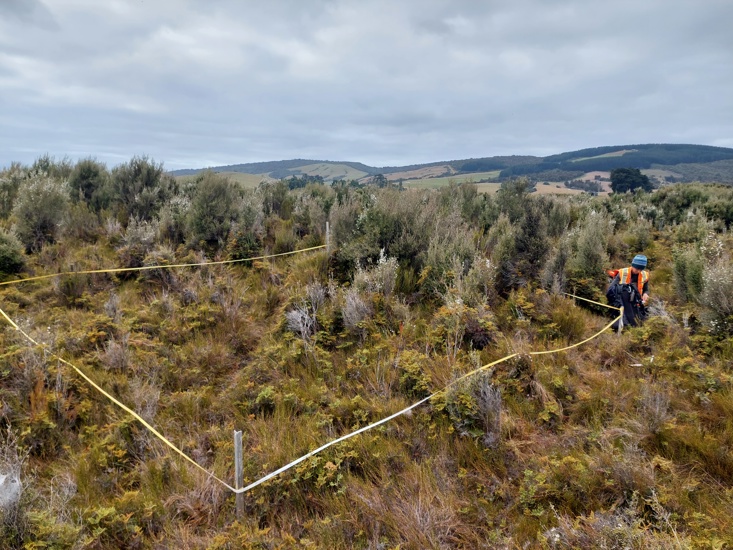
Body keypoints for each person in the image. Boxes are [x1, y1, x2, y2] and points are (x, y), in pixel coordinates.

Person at [606, 254, 650, 329]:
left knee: (640, 320)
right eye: (636, 268)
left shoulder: (644, 275)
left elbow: (646, 289)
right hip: (621, 301)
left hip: (635, 302)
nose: (638, 271)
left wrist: (645, 294)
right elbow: (610, 289)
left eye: (640, 269)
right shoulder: (622, 273)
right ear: (632, 265)